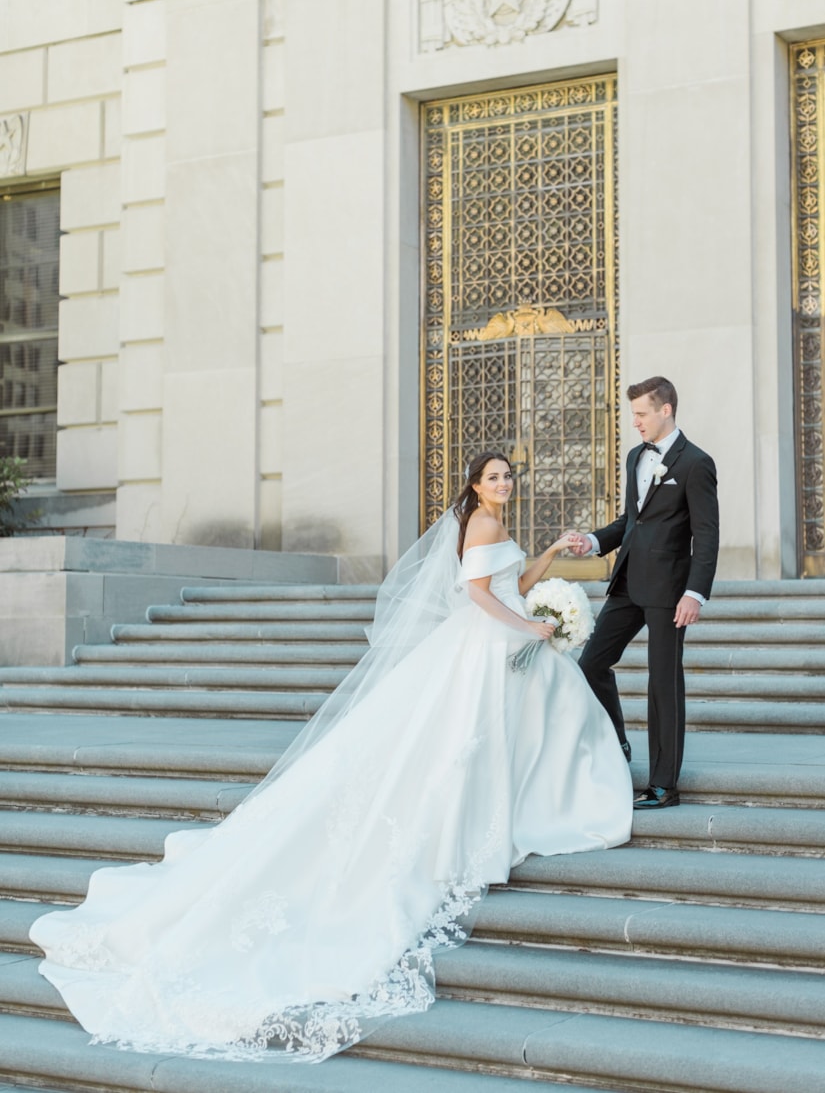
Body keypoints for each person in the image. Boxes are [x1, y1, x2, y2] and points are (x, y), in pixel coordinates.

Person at [29, 451, 632, 1064]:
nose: (504, 484)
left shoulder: (498, 526)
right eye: (494, 477)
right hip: (483, 645)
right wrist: (526, 629)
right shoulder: (479, 522)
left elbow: (512, 584)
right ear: (475, 484)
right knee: (457, 746)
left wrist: (551, 561)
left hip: (504, 639)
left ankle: (523, 809)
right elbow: (477, 594)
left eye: (508, 476)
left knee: (515, 731)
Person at [567, 377, 719, 811]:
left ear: (665, 410)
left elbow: (707, 537)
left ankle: (663, 785)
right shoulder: (636, 456)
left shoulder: (696, 463)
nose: (634, 422)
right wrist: (594, 542)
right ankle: (617, 743)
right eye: (632, 413)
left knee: (662, 683)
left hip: (671, 589)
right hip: (628, 581)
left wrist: (695, 593)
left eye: (641, 413)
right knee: (591, 663)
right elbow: (632, 520)